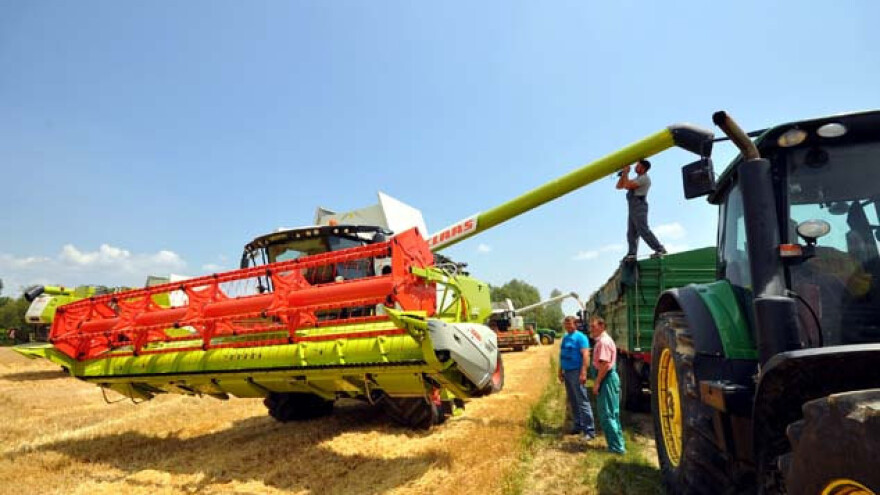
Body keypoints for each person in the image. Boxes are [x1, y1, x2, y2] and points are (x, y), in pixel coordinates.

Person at [589, 316, 626, 454]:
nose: (591, 329)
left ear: (602, 327)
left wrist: (597, 382)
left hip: (606, 379)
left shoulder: (603, 342)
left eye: (593, 327)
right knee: (613, 413)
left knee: (607, 414)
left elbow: (604, 365)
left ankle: (616, 448)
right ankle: (618, 444)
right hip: (608, 378)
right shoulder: (604, 340)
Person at [616, 159, 666, 260]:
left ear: (643, 168)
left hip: (639, 205)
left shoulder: (644, 178)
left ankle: (660, 249)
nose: (635, 167)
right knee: (631, 232)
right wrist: (623, 175)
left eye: (637, 166)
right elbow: (619, 186)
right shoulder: (638, 178)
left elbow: (627, 185)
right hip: (633, 206)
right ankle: (632, 254)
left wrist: (625, 173)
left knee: (643, 230)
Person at [557, 315, 596, 440]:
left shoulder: (581, 338)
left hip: (576, 372)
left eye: (570, 324)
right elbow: (561, 354)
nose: (567, 326)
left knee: (582, 400)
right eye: (566, 324)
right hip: (567, 372)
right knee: (573, 400)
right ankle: (578, 425)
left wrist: (584, 372)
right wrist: (560, 370)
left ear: (576, 324)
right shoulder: (565, 338)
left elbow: (586, 356)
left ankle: (589, 431)